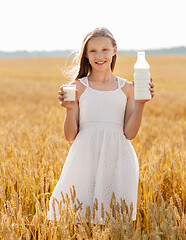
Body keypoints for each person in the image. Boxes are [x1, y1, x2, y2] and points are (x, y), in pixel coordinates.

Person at [47, 27, 155, 224]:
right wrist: (70, 109)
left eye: (105, 49)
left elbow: (129, 134)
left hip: (118, 158)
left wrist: (141, 103)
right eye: (93, 51)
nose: (99, 56)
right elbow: (70, 136)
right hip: (85, 157)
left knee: (114, 219)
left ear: (115, 50)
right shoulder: (78, 87)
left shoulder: (128, 88)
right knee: (79, 217)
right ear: (86, 55)